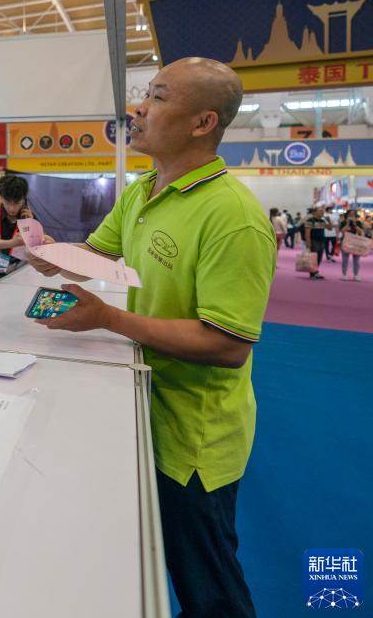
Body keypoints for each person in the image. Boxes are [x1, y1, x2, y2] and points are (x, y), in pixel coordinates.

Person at [29, 57, 274, 617]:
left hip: (194, 437)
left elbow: (228, 345)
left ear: (202, 122)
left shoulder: (233, 216)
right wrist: (51, 255)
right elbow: (96, 254)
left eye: (159, 98)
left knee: (208, 585)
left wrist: (108, 318)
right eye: (146, 95)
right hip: (146, 404)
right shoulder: (142, 190)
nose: (138, 109)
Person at [339, 209, 369, 281]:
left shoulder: (358, 222)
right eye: (350, 214)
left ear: (355, 216)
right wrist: (347, 224)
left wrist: (355, 224)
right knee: (345, 260)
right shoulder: (343, 222)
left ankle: (356, 275)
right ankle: (344, 274)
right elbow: (342, 231)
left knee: (356, 260)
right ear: (347, 215)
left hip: (356, 243)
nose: (351, 216)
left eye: (353, 215)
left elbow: (361, 232)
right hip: (346, 242)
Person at [303, 205, 330, 279]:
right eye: (320, 211)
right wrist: (308, 243)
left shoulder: (322, 221)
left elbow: (330, 228)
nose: (322, 212)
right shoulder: (310, 221)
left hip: (321, 241)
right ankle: (313, 273)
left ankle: (315, 271)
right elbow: (307, 233)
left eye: (323, 211)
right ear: (315, 212)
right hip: (313, 241)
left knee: (319, 257)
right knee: (313, 258)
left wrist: (329, 220)